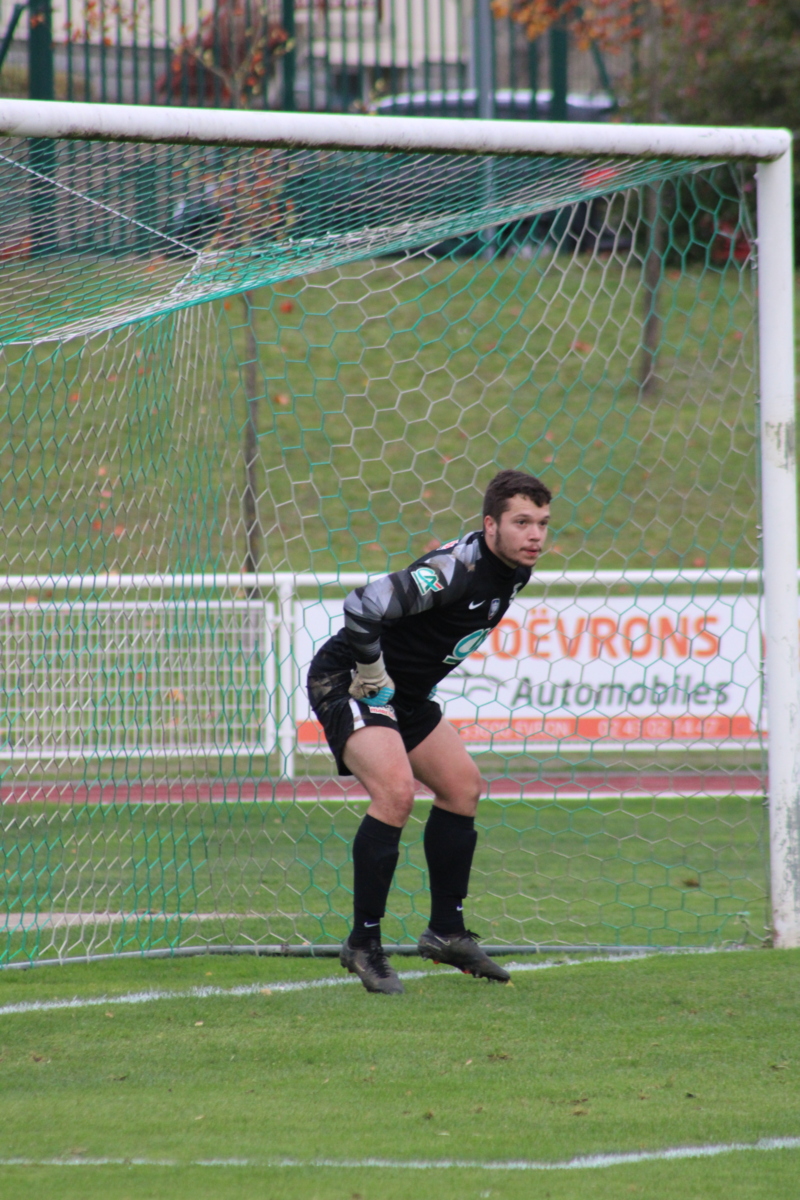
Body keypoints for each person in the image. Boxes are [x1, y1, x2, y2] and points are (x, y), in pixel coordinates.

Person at [306, 468, 552, 994]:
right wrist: (373, 674)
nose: (535, 535)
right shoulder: (454, 571)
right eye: (522, 522)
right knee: (396, 793)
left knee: (462, 788)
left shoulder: (514, 570)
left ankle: (447, 933)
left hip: (407, 694)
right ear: (491, 525)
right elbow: (363, 604)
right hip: (351, 680)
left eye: (542, 523)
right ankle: (363, 944)